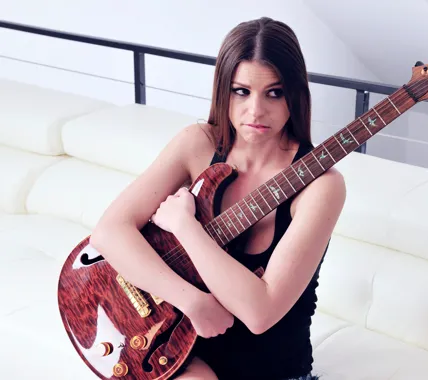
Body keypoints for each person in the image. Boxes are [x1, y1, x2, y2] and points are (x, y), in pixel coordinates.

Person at [89, 16, 346, 380]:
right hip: (179, 352)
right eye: (241, 91)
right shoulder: (199, 144)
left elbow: (260, 313)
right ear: (223, 89)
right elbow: (109, 232)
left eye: (274, 92)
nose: (255, 111)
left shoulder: (322, 187)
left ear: (296, 95)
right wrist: (192, 301)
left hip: (272, 369)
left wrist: (184, 225)